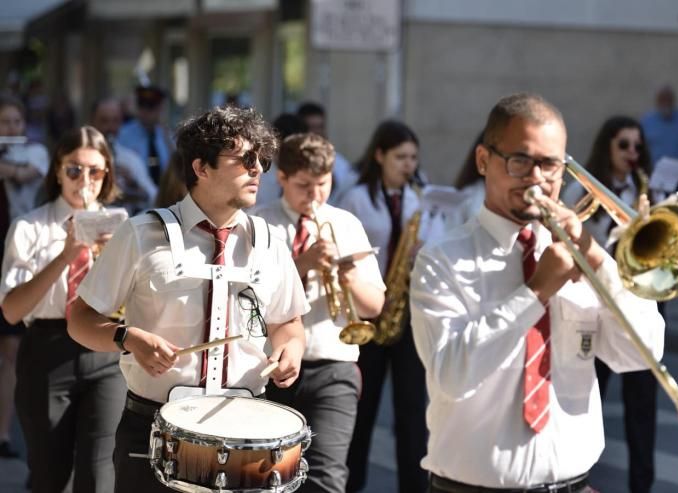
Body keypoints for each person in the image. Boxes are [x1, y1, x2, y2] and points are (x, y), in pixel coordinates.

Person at [410, 92, 664, 492]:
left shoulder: (578, 254)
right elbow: (452, 376)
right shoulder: (443, 259)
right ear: (482, 161)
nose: (536, 177)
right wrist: (536, 292)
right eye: (520, 160)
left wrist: (599, 260)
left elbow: (640, 354)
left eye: (549, 164)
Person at [67, 105, 309, 493]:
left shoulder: (269, 242)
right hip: (154, 428)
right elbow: (80, 319)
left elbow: (289, 324)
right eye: (245, 159)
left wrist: (290, 351)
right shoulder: (140, 234)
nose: (258, 170)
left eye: (261, 159)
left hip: (246, 432)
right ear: (202, 167)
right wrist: (127, 338)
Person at [253, 132, 385, 493]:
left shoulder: (345, 224)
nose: (314, 196)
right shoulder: (258, 224)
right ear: (281, 178)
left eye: (322, 185)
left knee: (325, 476)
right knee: (265, 476)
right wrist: (304, 264)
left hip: (333, 366)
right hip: (269, 367)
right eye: (304, 186)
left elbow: (374, 307)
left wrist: (350, 277)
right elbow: (249, 300)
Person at [0, 126, 125, 492]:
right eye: (74, 170)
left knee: (100, 473)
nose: (84, 180)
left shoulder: (123, 228)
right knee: (49, 473)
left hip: (105, 348)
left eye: (95, 172)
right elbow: (10, 310)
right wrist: (65, 256)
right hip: (48, 349)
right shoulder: (30, 227)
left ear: (106, 175)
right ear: (57, 171)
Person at [563, 115, 659, 493]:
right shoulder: (582, 193)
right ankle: (579, 478)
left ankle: (642, 486)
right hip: (593, 304)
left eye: (637, 146)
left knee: (642, 409)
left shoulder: (645, 188)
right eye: (624, 145)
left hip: (635, 300)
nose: (632, 153)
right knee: (588, 398)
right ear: (608, 147)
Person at [339, 120, 435, 493]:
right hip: (367, 312)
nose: (408, 165)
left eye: (413, 157)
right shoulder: (356, 198)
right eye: (400, 157)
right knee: (361, 413)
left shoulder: (420, 199)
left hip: (405, 314)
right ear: (379, 155)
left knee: (413, 413)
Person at [0, 93, 49, 458]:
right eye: (5, 123)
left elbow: (27, 174)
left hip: (17, 257)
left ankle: (4, 432)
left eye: (16, 122)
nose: (11, 129)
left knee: (12, 350)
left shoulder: (35, 152)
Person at [91, 97, 157, 214]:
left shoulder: (130, 159)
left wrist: (133, 183)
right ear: (93, 122)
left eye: (115, 121)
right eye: (104, 121)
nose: (110, 127)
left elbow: (154, 196)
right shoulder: (83, 158)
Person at [297, 102, 357, 204]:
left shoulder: (341, 164)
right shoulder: (292, 164)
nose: (317, 132)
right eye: (311, 127)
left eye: (320, 127)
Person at [117, 85, 174, 186]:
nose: (145, 111)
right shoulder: (123, 134)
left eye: (151, 107)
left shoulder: (167, 136)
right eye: (142, 105)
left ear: (160, 108)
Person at [254, 113, 309, 207]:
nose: (294, 156)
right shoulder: (258, 178)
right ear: (275, 144)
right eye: (289, 150)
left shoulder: (308, 177)